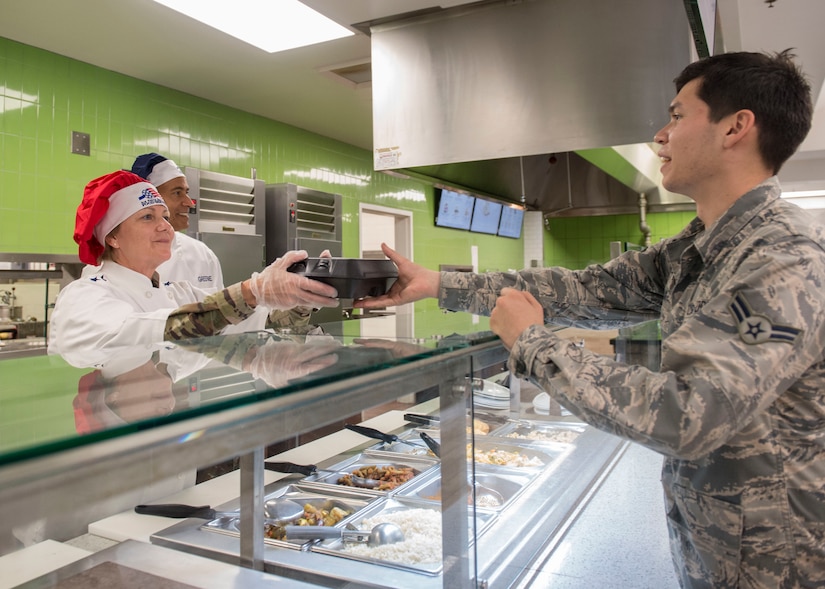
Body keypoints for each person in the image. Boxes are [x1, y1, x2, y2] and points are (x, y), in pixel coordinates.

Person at [355, 50, 825, 588]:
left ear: (736, 127)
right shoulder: (700, 246)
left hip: (778, 563)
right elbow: (587, 289)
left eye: (676, 115)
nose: (660, 135)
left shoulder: (784, 257)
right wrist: (440, 285)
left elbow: (688, 414)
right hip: (718, 548)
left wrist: (533, 344)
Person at [49, 170, 339, 367]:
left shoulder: (176, 292)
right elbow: (164, 329)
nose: (165, 226)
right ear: (112, 237)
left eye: (164, 216)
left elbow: (262, 325)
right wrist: (253, 291)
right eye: (148, 217)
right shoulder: (85, 297)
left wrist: (302, 297)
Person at [130, 152, 224, 292]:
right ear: (151, 199)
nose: (189, 203)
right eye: (177, 193)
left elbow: (223, 310)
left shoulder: (203, 254)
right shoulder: (125, 257)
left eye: (186, 192)